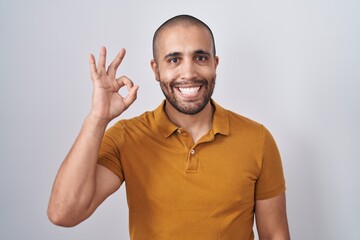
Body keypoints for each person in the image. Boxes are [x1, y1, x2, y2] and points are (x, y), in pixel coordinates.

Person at [48, 14, 290, 240]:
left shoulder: (257, 139)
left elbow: (275, 235)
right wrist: (97, 119)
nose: (188, 72)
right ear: (156, 69)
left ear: (215, 64)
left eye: (200, 57)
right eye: (174, 60)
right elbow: (64, 214)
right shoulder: (127, 137)